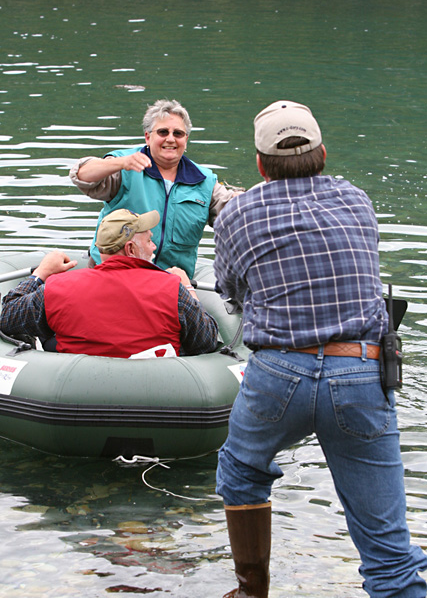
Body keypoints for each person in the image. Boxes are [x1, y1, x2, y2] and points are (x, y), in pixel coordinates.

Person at [213, 100, 427, 597]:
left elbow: (231, 293)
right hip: (360, 370)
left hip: (277, 375)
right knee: (388, 548)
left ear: (262, 165)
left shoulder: (237, 213)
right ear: (324, 153)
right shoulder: (357, 200)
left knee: (241, 471)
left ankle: (251, 590)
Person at [0, 209, 218, 358]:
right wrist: (187, 287)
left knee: (47, 339)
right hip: (160, 398)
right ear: (131, 249)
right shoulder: (172, 289)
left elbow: (8, 317)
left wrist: (41, 273)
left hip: (74, 401)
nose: (153, 248)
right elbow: (206, 342)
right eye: (150, 240)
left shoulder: (57, 287)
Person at [69, 98, 243, 278]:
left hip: (167, 282)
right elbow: (81, 175)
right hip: (113, 276)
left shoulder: (205, 181)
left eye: (178, 133)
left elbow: (234, 215)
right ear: (147, 136)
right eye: (163, 132)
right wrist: (120, 163)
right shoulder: (125, 166)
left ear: (186, 139)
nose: (170, 139)